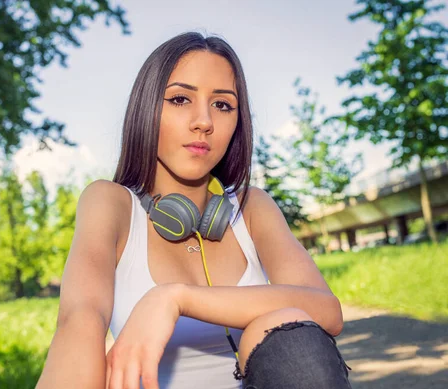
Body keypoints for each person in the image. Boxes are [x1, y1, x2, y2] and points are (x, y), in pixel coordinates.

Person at [35, 32, 352, 389]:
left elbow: (327, 310)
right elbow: (80, 320)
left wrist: (175, 298)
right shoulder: (110, 204)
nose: (203, 121)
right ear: (147, 108)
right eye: (181, 99)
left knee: (286, 322)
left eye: (222, 105)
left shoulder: (252, 207)